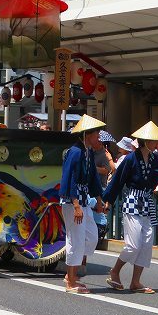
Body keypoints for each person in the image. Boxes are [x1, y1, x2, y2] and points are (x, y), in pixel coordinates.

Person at [103, 121, 158, 294]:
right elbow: (117, 180)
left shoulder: (156, 159)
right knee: (133, 245)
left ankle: (136, 282)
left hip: (148, 202)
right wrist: (109, 200)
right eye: (155, 140)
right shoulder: (130, 159)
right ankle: (115, 271)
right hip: (132, 201)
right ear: (146, 140)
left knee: (145, 244)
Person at [59, 114, 104, 294]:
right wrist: (76, 205)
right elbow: (69, 179)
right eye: (97, 135)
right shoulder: (75, 152)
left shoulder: (88, 152)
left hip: (84, 200)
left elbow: (93, 178)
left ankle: (72, 274)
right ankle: (70, 279)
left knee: (91, 236)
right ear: (88, 135)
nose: (98, 138)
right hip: (73, 202)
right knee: (75, 238)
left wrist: (99, 199)